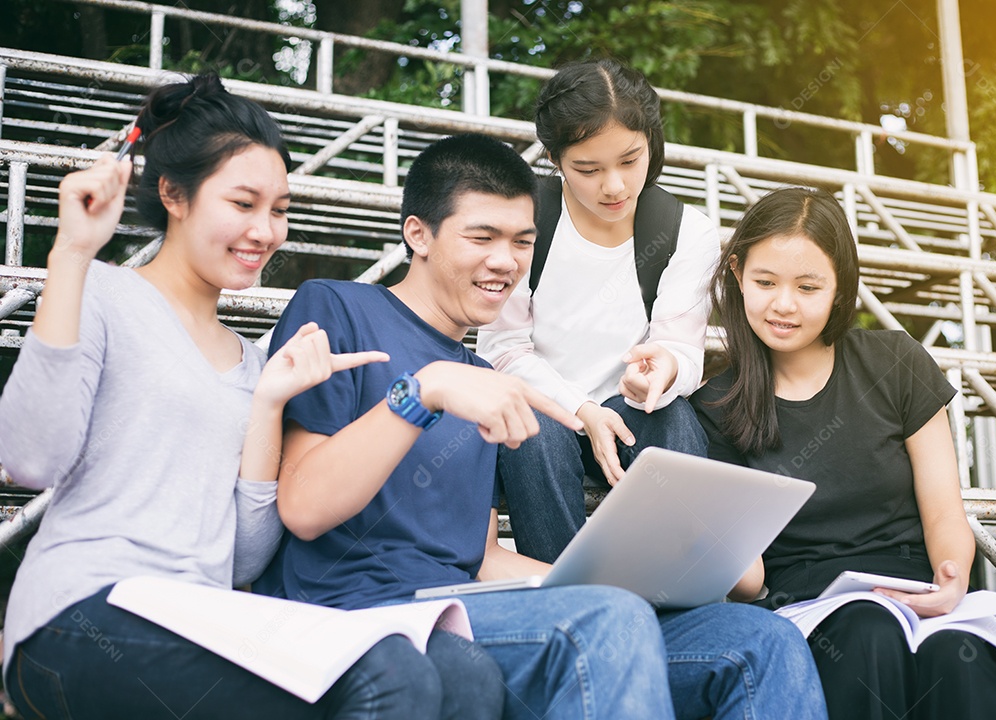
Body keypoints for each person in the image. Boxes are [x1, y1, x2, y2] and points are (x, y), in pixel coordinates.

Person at [254, 132, 829, 720]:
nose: (505, 261)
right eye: (482, 237)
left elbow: (477, 559)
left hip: (468, 610)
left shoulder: (482, 376)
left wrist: (613, 581)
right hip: (354, 609)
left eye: (522, 242)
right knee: (606, 621)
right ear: (417, 234)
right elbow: (303, 505)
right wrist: (422, 392)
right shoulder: (338, 309)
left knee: (760, 639)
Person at [0, 74, 503, 720]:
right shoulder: (102, 293)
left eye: (281, 209)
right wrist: (70, 253)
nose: (265, 230)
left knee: (463, 680)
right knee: (389, 674)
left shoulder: (254, 361)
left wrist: (267, 405)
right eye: (243, 204)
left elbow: (242, 556)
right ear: (173, 195)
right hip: (80, 616)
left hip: (203, 618)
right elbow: (28, 458)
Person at [690, 186, 996, 720]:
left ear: (841, 288)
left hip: (917, 592)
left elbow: (943, 511)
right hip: (809, 608)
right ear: (736, 272)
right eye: (765, 282)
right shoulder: (715, 406)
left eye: (808, 286)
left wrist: (952, 578)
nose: (784, 304)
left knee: (957, 662)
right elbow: (747, 577)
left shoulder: (896, 363)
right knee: (869, 633)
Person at [476, 58, 717, 563]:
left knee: (670, 416)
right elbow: (504, 350)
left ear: (651, 140)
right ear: (555, 159)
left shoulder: (685, 231)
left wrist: (664, 370)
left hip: (633, 412)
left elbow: (682, 347)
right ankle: (568, 598)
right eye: (588, 169)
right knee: (535, 432)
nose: (614, 186)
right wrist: (582, 410)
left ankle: (689, 583)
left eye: (630, 160)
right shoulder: (526, 220)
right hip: (548, 412)